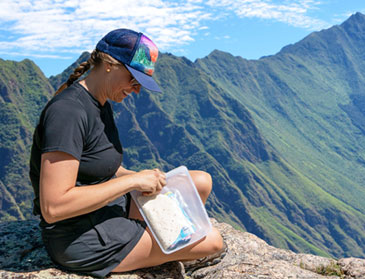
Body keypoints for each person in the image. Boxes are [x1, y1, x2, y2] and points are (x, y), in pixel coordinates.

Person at [29, 28, 224, 278]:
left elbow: (97, 165)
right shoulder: (68, 112)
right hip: (80, 235)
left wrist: (139, 176)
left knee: (199, 182)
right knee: (213, 241)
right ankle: (162, 246)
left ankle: (163, 242)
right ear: (110, 65)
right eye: (134, 80)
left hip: (106, 208)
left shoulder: (99, 103)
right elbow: (53, 206)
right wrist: (131, 182)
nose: (136, 90)